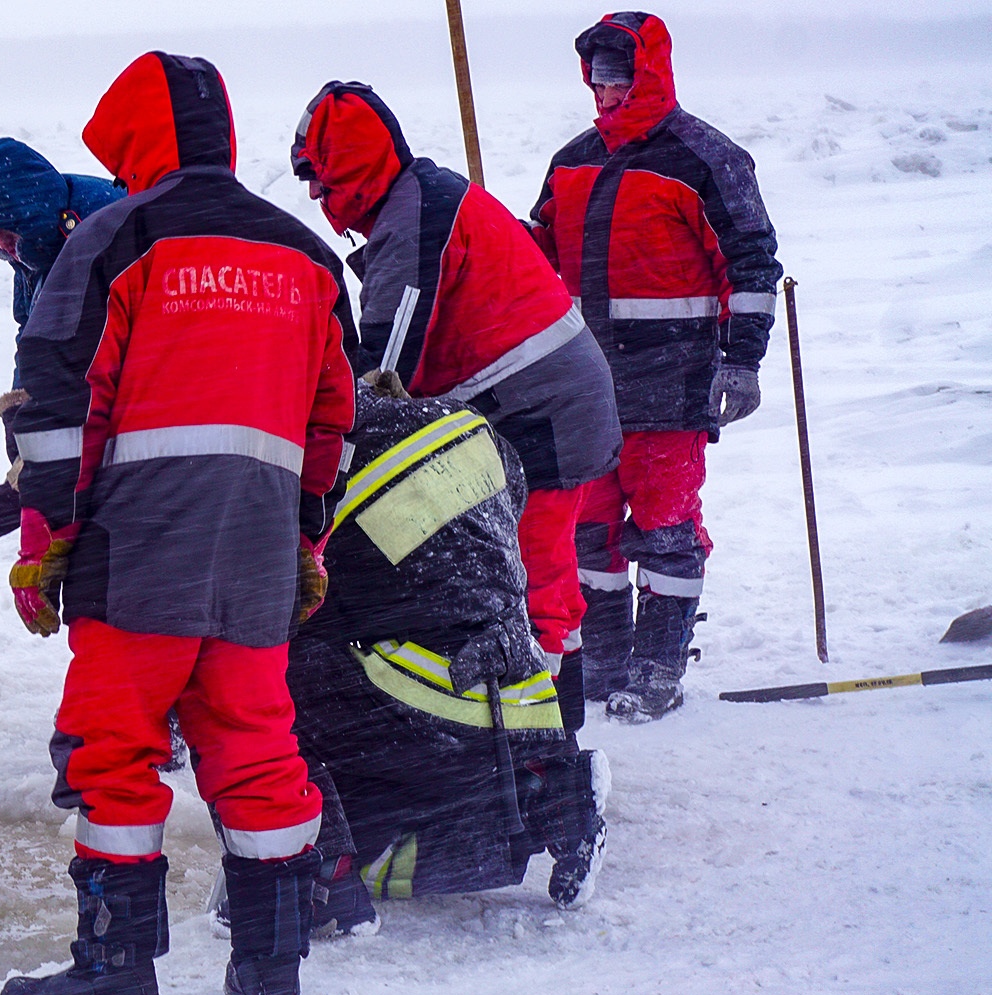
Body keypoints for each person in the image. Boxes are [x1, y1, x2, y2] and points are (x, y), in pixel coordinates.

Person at [0, 52, 358, 995]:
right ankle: (273, 976)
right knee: (254, 745)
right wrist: (306, 535)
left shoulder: (117, 236)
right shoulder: (308, 255)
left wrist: (49, 532)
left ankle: (115, 979)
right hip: (253, 548)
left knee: (113, 752)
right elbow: (332, 420)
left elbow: (56, 397)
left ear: (133, 140)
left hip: (138, 543)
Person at [290, 80, 621, 734]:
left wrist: (328, 448)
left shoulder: (413, 219)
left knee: (530, 581)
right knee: (534, 576)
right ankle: (554, 725)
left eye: (316, 177)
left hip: (543, 412)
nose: (310, 195)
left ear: (349, 168)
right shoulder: (417, 200)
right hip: (540, 403)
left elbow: (387, 371)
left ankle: (542, 745)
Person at [531, 12, 781, 720]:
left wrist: (743, 361)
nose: (604, 92)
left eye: (618, 76)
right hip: (587, 386)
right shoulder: (572, 162)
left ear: (649, 72)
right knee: (588, 530)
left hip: (672, 387)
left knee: (666, 528)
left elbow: (753, 263)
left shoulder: (706, 159)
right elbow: (540, 259)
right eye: (596, 77)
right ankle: (604, 664)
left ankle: (657, 671)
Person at [290, 380, 608, 913]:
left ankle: (330, 875)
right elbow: (512, 504)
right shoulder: (464, 424)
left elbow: (298, 615)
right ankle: (560, 793)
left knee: (260, 691)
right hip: (525, 689)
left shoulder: (324, 487)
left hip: (435, 700)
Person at [0, 139, 123, 534]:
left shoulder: (106, 227)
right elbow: (33, 338)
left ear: (31, 210)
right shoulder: (35, 248)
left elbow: (94, 356)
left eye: (8, 231)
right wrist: (21, 424)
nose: (1, 244)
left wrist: (37, 470)